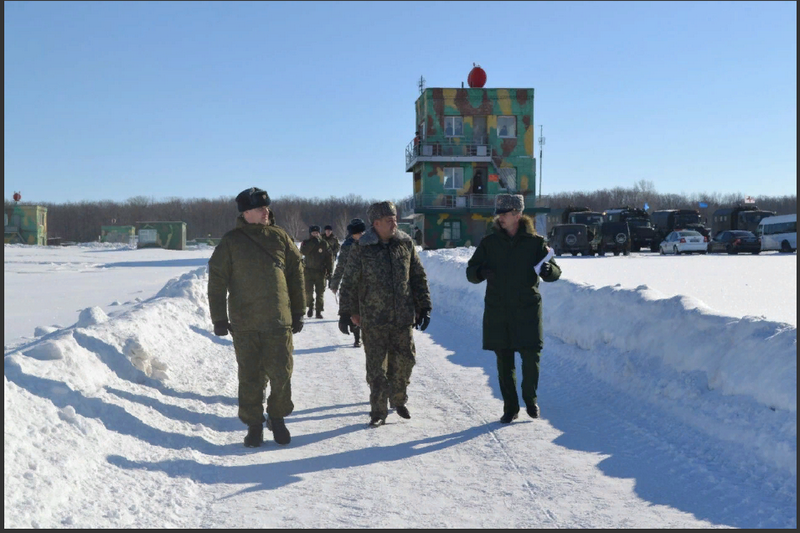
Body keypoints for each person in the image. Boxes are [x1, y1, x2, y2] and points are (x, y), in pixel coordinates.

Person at [207, 187, 306, 447]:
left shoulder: (281, 237)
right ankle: (253, 424)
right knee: (249, 376)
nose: (266, 212)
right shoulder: (231, 241)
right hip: (245, 322)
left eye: (267, 208)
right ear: (246, 212)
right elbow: (217, 280)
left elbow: (296, 275)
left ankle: (277, 417)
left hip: (278, 320)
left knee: (282, 373)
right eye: (260, 208)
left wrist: (298, 311)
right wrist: (218, 318)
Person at [466, 193, 561, 424]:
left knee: (531, 359)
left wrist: (549, 271)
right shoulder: (489, 243)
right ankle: (510, 407)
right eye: (498, 214)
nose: (500, 218)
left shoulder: (535, 242)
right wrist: (480, 272)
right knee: (504, 361)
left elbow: (555, 271)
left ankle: (530, 400)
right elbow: (471, 272)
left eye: (505, 214)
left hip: (527, 310)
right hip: (499, 310)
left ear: (517, 215)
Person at [338, 201, 432, 427]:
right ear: (376, 223)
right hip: (373, 318)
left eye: (395, 218)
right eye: (389, 220)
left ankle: (398, 399)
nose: (394, 223)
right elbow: (349, 281)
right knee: (377, 367)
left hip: (402, 317)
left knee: (405, 360)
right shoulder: (362, 247)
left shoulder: (405, 243)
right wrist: (346, 312)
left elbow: (417, 277)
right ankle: (378, 411)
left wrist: (424, 306)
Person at [329, 217, 366, 348]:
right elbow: (341, 266)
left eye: (361, 233)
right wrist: (335, 283)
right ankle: (357, 337)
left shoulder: (370, 243)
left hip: (368, 282)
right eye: (357, 233)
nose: (359, 235)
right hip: (352, 282)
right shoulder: (347, 246)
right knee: (354, 309)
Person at [300, 225, 334, 319]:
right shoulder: (306, 243)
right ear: (310, 233)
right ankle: (310, 307)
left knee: (320, 293)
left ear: (319, 233)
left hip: (320, 272)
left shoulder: (324, 243)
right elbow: (303, 252)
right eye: (313, 233)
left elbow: (329, 258)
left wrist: (330, 271)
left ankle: (318, 311)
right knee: (308, 292)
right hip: (308, 272)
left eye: (317, 233)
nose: (315, 234)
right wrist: (312, 243)